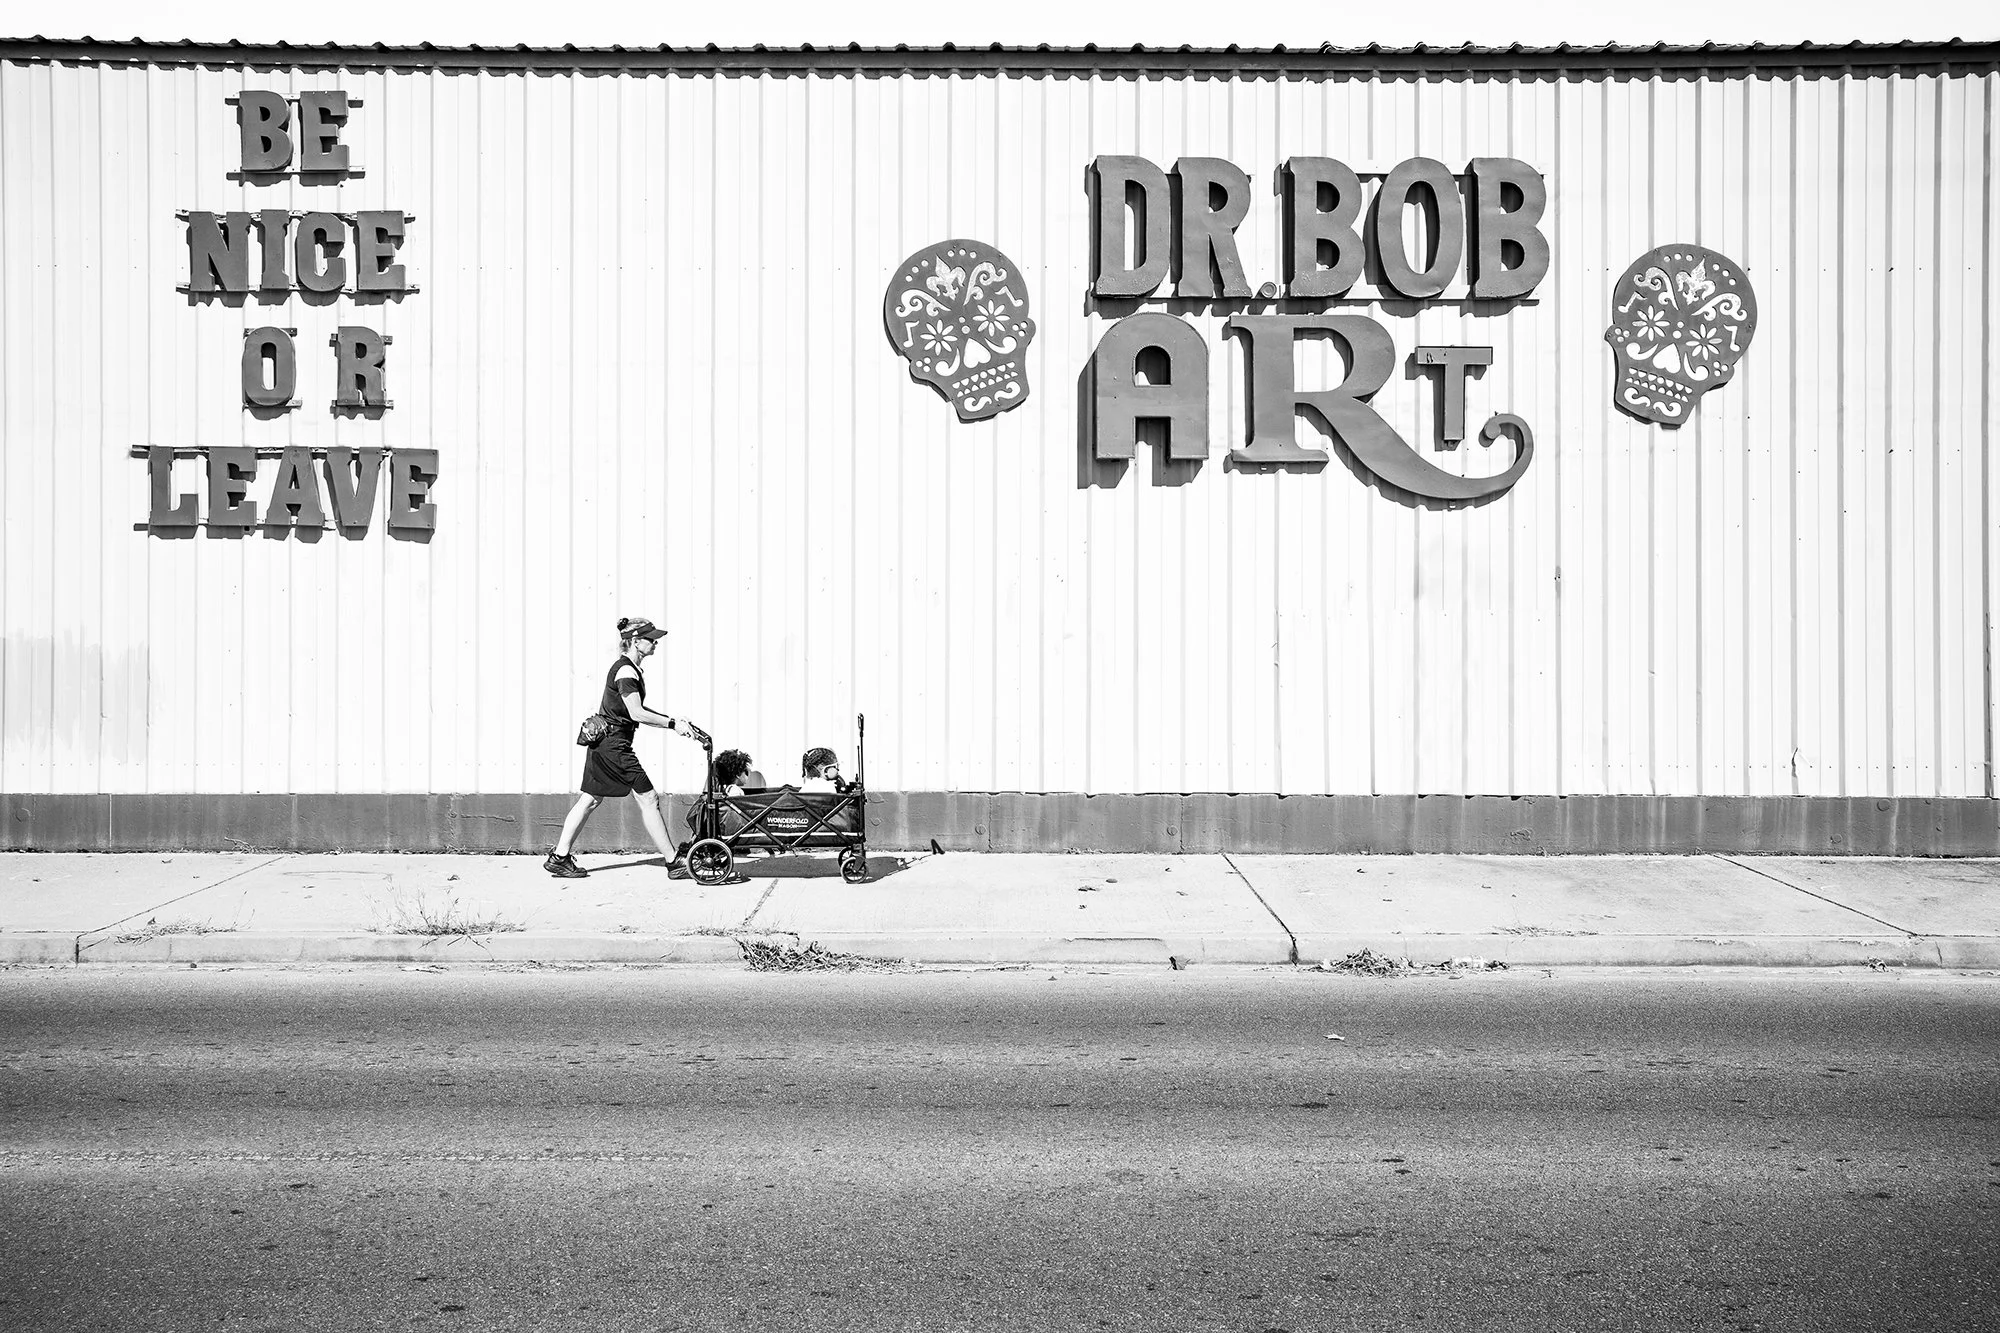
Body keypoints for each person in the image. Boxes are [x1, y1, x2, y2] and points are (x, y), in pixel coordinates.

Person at [545, 616, 710, 879]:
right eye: (650, 638)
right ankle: (673, 862)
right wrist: (671, 724)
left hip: (603, 742)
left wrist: (676, 721)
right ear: (634, 641)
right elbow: (636, 713)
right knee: (648, 798)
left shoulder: (630, 668)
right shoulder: (625, 671)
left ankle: (559, 858)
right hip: (614, 746)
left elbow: (637, 710)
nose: (655, 643)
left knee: (590, 799)